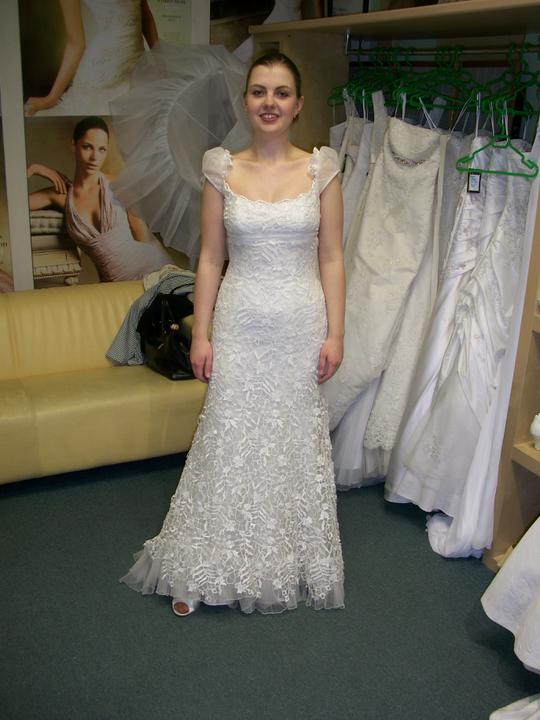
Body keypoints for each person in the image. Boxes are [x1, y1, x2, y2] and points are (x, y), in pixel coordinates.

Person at [120, 50, 346, 616]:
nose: (270, 102)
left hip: (300, 327)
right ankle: (201, 566)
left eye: (281, 93)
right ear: (245, 101)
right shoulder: (221, 169)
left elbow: (333, 257)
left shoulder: (322, 170)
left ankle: (281, 560)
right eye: (259, 91)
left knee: (289, 443)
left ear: (298, 104)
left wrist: (336, 334)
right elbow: (209, 259)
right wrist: (201, 335)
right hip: (240, 324)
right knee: (227, 439)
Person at [28, 116, 170, 282]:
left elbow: (144, 238)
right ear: (74, 145)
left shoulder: (119, 185)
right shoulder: (61, 196)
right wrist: (36, 168)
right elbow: (14, 205)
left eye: (102, 149)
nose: (95, 157)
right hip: (112, 286)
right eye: (88, 147)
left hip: (150, 271)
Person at [23, 0, 158, 117]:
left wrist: (159, 58)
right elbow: (76, 43)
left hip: (138, 66)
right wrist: (51, 98)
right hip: (103, 72)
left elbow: (146, 19)